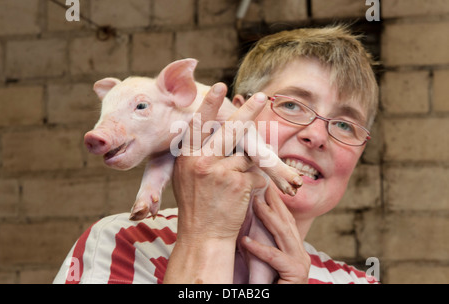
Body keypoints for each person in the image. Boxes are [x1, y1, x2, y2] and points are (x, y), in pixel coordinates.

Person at [54, 24, 379, 284]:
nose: (318, 135)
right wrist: (207, 238)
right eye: (291, 105)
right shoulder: (122, 244)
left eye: (345, 125)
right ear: (234, 118)